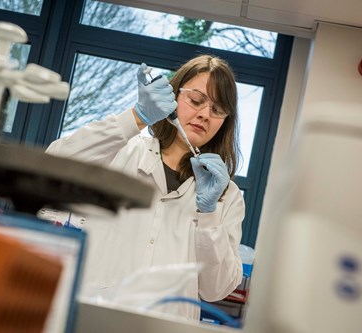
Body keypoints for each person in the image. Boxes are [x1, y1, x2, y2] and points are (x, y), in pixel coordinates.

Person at [46, 55, 245, 321]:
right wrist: (136, 117)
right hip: (95, 318)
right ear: (174, 97)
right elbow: (54, 164)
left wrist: (208, 216)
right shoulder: (122, 153)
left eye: (217, 110)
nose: (204, 115)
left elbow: (216, 288)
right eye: (196, 101)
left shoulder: (226, 196)